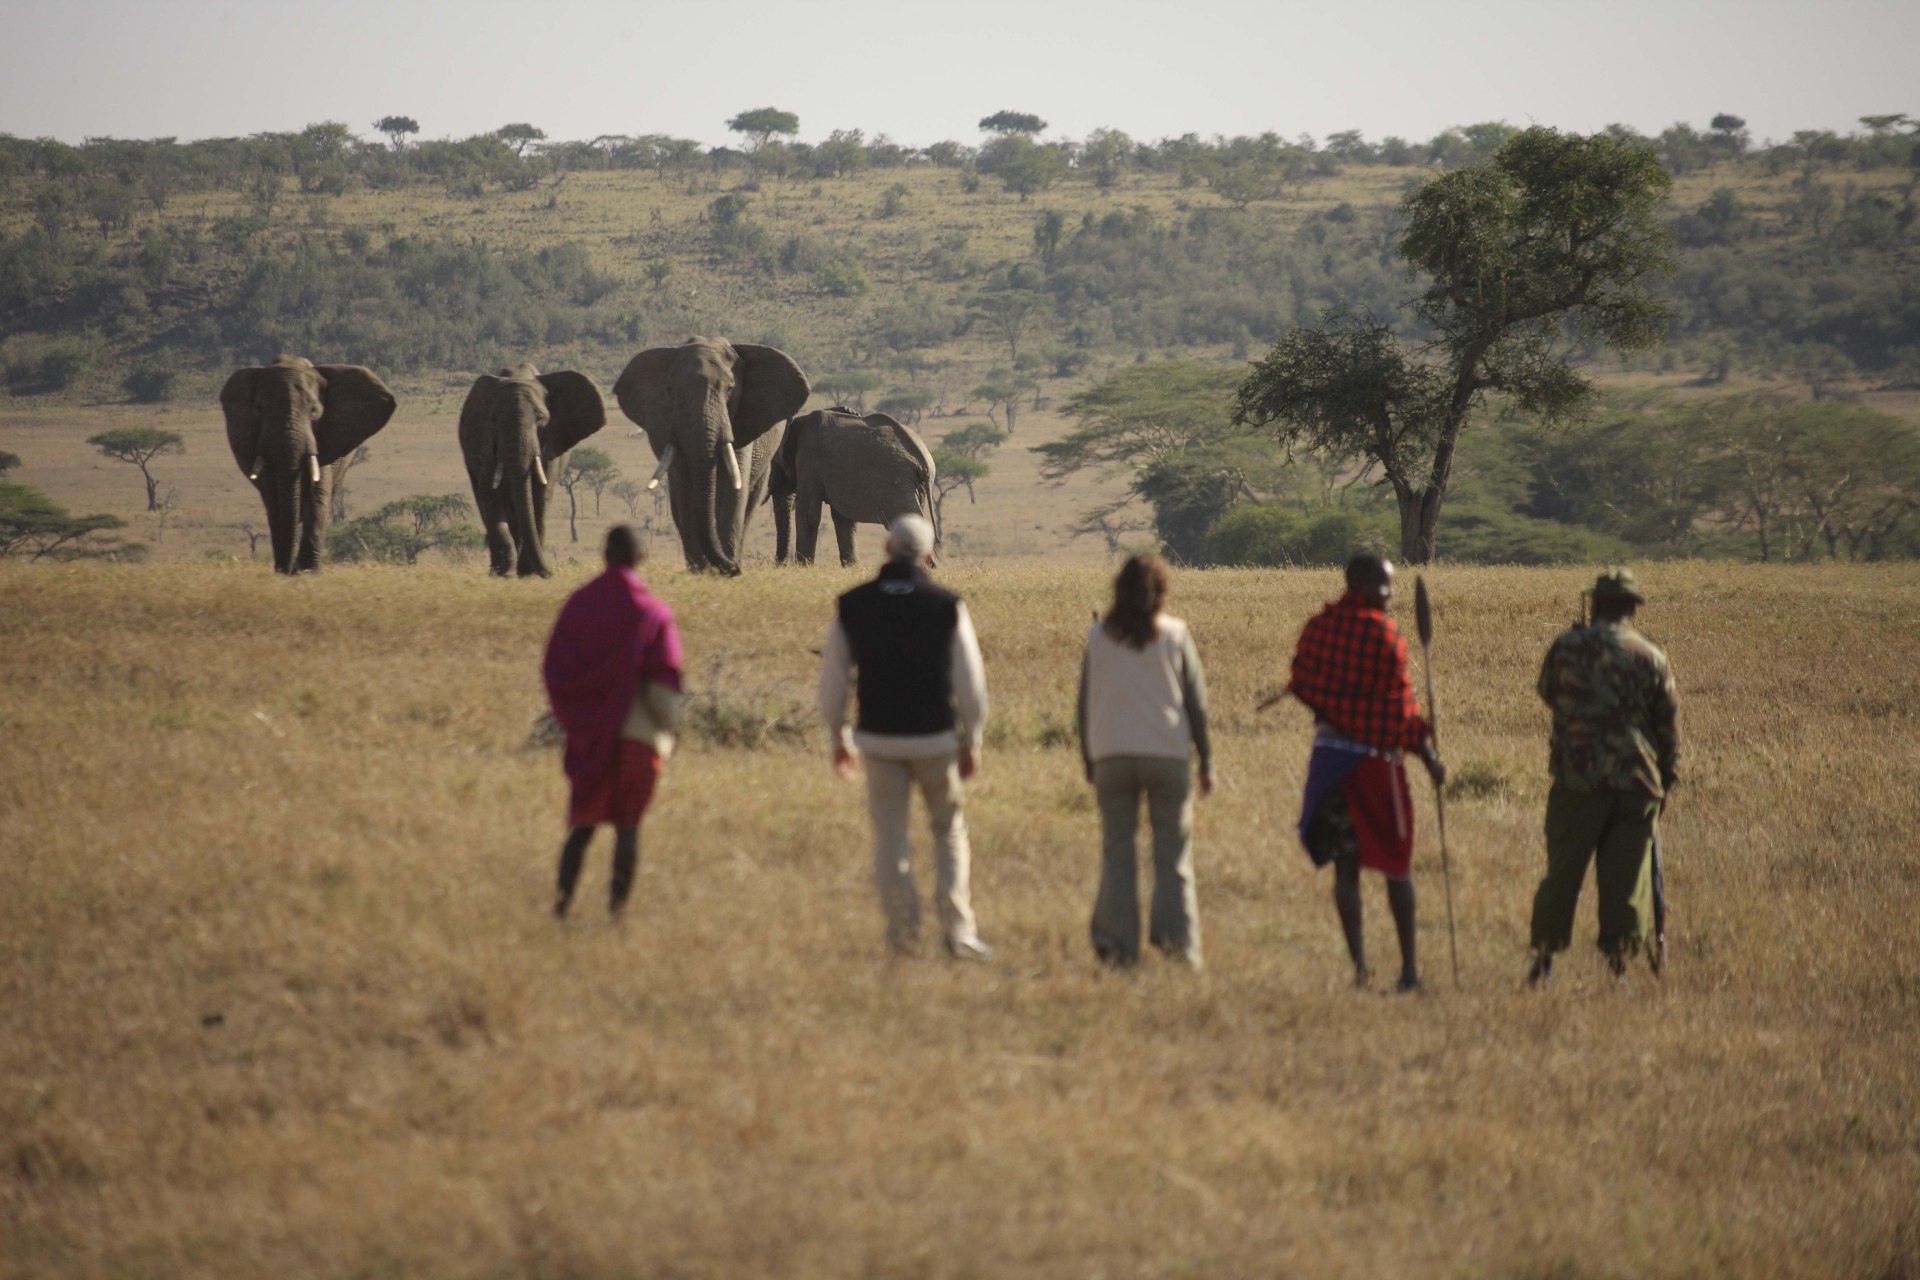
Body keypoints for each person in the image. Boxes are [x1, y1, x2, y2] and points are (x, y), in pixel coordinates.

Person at [817, 514, 992, 960]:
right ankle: (958, 932)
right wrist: (973, 739)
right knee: (949, 832)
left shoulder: (853, 604)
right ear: (929, 556)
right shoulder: (947, 603)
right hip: (936, 739)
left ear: (886, 550)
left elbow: (833, 682)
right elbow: (971, 682)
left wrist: (838, 738)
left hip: (878, 741)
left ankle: (903, 936)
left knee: (891, 837)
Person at [1289, 554, 1445, 992]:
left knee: (1346, 867)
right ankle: (1408, 972)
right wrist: (1427, 754)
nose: (1390, 596)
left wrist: (1340, 713)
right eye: (1383, 585)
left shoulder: (1318, 628)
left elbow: (1301, 681)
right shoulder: (1383, 633)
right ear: (1357, 582)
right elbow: (1401, 710)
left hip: (1330, 760)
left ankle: (1361, 971)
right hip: (1375, 764)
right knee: (1397, 865)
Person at [1528, 567, 1680, 985]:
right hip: (1637, 782)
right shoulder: (1651, 655)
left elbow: (1546, 692)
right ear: (1632, 608)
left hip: (1578, 780)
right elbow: (1668, 728)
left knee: (1563, 872)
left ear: (1594, 604)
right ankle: (1620, 968)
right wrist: (1665, 782)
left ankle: (1543, 960)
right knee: (1626, 881)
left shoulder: (1567, 646)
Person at [1077, 554, 1214, 969]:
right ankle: (1179, 947)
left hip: (1112, 757)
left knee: (1118, 853)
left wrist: (1090, 761)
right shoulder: (1175, 634)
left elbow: (1083, 705)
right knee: (1172, 855)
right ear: (1161, 591)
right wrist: (1206, 760)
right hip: (1167, 756)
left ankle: (1117, 947)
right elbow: (1197, 704)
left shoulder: (1098, 636)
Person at [541, 525, 683, 919]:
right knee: (628, 824)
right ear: (641, 559)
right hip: (638, 736)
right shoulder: (653, 613)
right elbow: (664, 679)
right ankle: (617, 914)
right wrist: (670, 728)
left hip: (588, 734)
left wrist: (574, 718)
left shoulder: (577, 606)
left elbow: (555, 668)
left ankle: (562, 906)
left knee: (583, 825)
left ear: (604, 556)